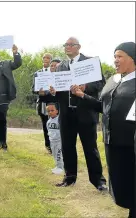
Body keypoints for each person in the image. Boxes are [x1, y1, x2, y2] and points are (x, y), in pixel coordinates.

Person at [71, 42, 135, 218]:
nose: (116, 60)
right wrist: (82, 96)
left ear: (133, 58)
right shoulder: (113, 80)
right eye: (114, 56)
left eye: (120, 56)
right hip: (112, 142)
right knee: (121, 187)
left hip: (131, 143)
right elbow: (103, 107)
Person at [48, 37, 107, 191]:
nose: (67, 47)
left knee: (90, 147)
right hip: (66, 114)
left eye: (70, 45)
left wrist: (86, 86)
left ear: (78, 47)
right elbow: (59, 88)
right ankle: (69, 178)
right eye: (65, 45)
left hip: (86, 112)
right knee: (67, 147)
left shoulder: (90, 62)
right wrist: (54, 91)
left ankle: (98, 181)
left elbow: (100, 83)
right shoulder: (61, 66)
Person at [32, 53, 53, 153]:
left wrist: (47, 92)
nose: (45, 59)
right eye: (44, 57)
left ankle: (56, 146)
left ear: (51, 60)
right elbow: (33, 89)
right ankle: (48, 146)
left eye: (48, 58)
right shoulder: (37, 73)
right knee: (45, 126)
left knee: (54, 125)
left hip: (53, 103)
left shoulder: (54, 72)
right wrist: (38, 92)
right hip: (41, 103)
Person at [46, 103, 64, 175]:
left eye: (52, 110)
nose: (50, 112)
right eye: (48, 111)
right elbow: (48, 130)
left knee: (59, 154)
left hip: (59, 141)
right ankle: (57, 166)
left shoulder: (59, 120)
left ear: (57, 111)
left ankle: (61, 168)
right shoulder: (49, 121)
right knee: (54, 154)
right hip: (52, 141)